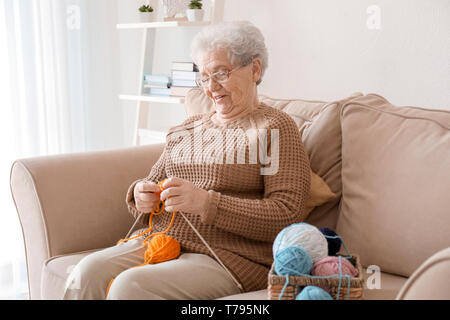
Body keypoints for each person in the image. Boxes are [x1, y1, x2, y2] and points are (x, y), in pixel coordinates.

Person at [62, 21, 311, 300]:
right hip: (162, 241)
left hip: (226, 257)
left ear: (254, 69)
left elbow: (287, 214)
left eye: (221, 73)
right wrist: (140, 195)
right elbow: (150, 183)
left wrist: (206, 203)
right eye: (204, 77)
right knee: (85, 272)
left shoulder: (274, 127)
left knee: (130, 287)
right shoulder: (188, 127)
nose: (211, 87)